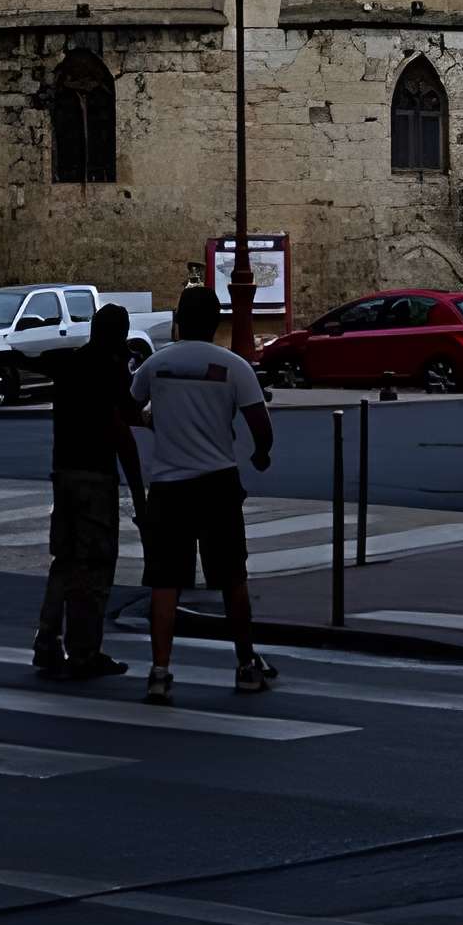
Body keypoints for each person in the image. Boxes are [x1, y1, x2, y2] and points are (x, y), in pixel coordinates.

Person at [130, 281, 278, 704]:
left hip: (168, 486)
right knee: (232, 576)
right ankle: (246, 665)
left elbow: (126, 406)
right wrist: (261, 455)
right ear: (216, 323)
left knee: (164, 581)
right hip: (217, 483)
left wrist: (153, 422)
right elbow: (260, 427)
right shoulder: (233, 367)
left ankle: (159, 672)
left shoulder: (156, 366)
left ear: (177, 321)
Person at [32, 303, 145, 682]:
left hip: (63, 471)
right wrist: (139, 491)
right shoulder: (109, 369)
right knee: (95, 568)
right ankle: (84, 652)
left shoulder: (72, 364)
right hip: (96, 475)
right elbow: (124, 423)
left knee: (64, 562)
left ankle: (47, 642)